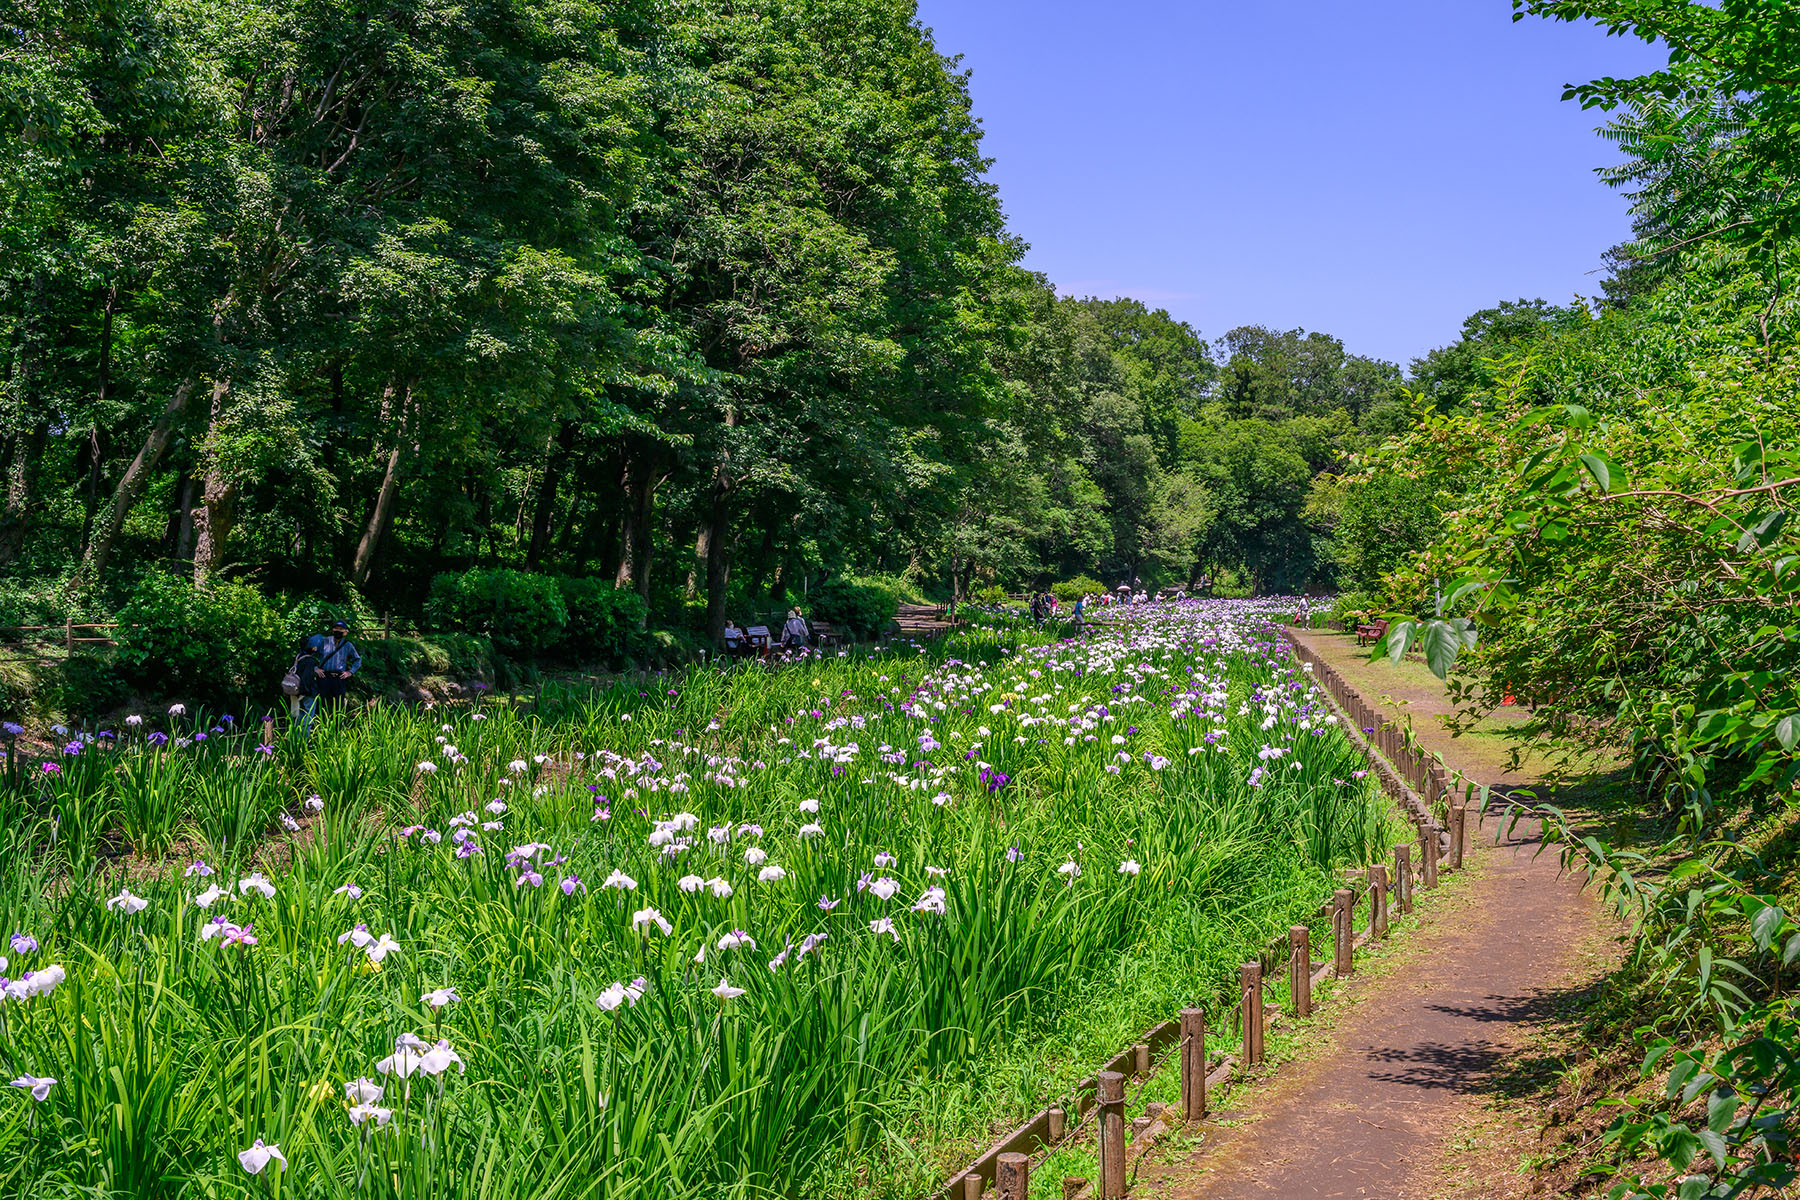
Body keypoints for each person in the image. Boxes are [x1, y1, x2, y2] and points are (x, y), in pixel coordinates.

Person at [303, 619, 362, 733]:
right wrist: (315, 668)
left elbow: (357, 660)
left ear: (345, 632)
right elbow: (309, 654)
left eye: (340, 629)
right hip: (324, 676)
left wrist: (350, 672)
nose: (338, 631)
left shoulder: (348, 645)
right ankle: (320, 729)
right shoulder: (324, 641)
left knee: (339, 705)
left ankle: (337, 730)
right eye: (336, 628)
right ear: (332, 629)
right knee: (322, 703)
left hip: (340, 678)